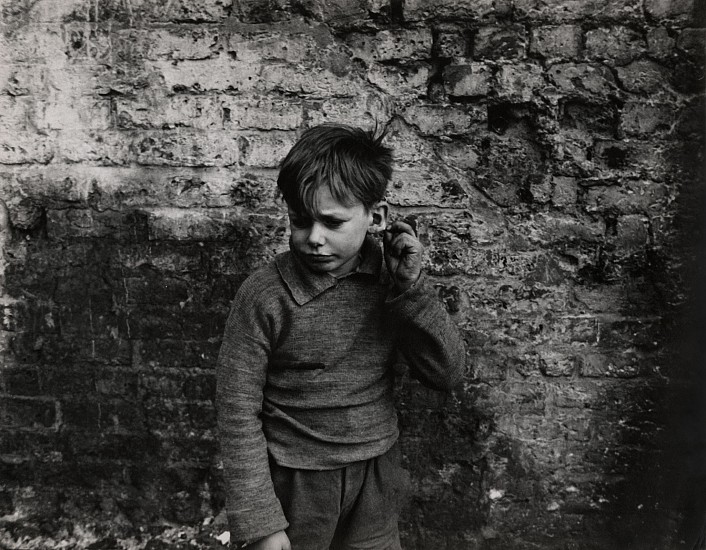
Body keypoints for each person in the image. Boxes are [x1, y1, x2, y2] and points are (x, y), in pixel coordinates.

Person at [216, 124, 466, 550]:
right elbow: (236, 410)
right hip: (293, 482)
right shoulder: (264, 296)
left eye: (333, 222)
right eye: (300, 221)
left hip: (375, 477)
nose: (314, 238)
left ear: (378, 218)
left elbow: (446, 373)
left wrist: (412, 291)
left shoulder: (393, 283)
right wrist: (261, 522)